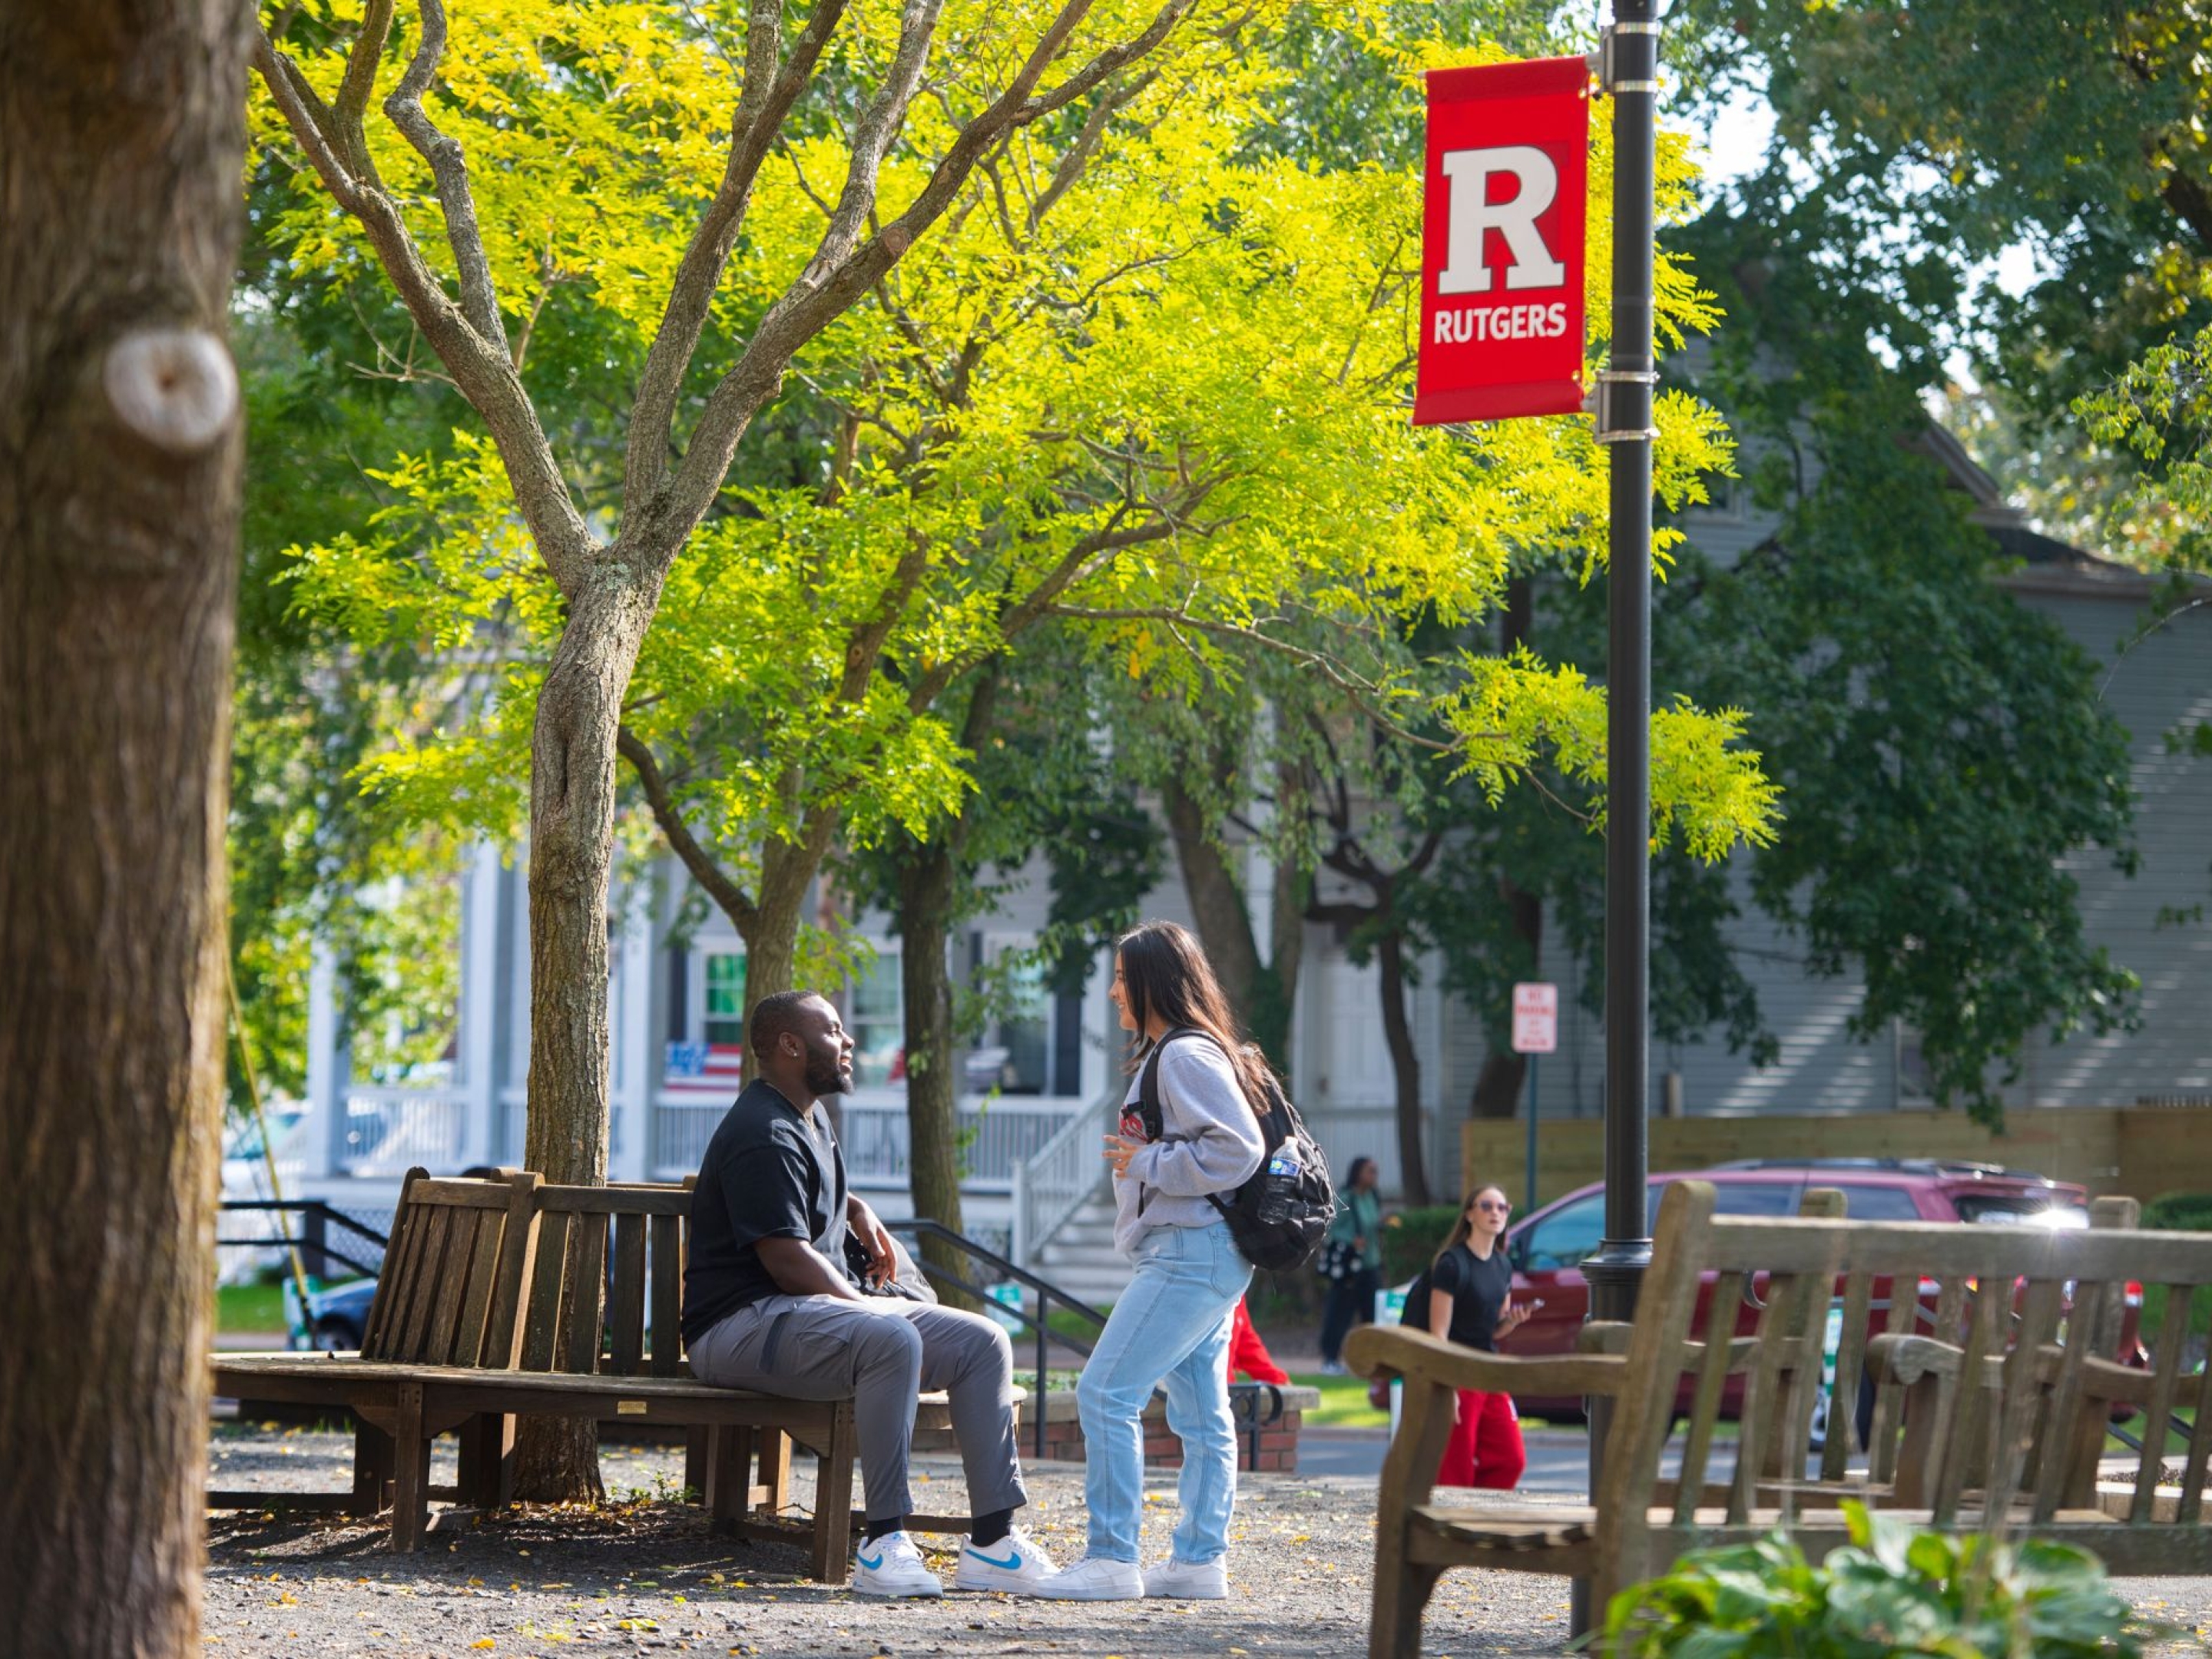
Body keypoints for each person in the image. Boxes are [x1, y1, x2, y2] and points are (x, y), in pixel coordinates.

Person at [684, 989, 1054, 1598]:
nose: (849, 1041)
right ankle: (883, 1544)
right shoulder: (760, 1131)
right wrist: (867, 1307)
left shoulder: (809, 1117)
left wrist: (857, 1208)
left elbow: (807, 1201)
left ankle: (993, 1542)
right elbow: (785, 1259)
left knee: (982, 1341)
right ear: (789, 1046)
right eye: (832, 1031)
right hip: (738, 1327)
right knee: (890, 1335)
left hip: (799, 1319)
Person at [1025, 920, 1267, 1602]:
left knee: (1103, 1392)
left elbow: (1238, 1150)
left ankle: (1111, 1558)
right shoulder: (1183, 1051)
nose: (1113, 992)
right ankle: (1197, 1563)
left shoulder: (1186, 1057)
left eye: (1124, 979)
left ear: (1156, 982)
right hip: (1202, 1251)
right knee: (1200, 1414)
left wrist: (1147, 1160)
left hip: (1190, 1254)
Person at [1406, 1184, 1532, 1489]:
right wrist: (1447, 1387)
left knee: (1510, 1459)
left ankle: (1481, 1518)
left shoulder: (1503, 1265)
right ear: (1469, 1214)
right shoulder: (1452, 1264)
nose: (1495, 1213)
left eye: (1502, 1208)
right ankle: (1454, 1525)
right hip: (1457, 1373)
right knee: (1455, 1467)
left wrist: (1511, 1322)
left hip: (1488, 1372)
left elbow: (1492, 1329)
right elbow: (1439, 1334)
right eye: (1486, 1206)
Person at [1317, 1156, 1386, 1374]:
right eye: (1369, 1171)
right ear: (1357, 1173)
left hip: (1370, 1265)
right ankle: (1330, 1358)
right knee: (1340, 1313)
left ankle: (1370, 1361)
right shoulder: (1345, 1198)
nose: (1374, 1175)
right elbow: (1329, 1228)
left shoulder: (1373, 1197)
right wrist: (1350, 1239)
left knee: (1372, 1314)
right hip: (1349, 1267)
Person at [1225, 1297, 1289, 1386]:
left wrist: (1277, 1378)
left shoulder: (1236, 1292)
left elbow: (1245, 1340)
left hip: (1224, 1392)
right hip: (1206, 1389)